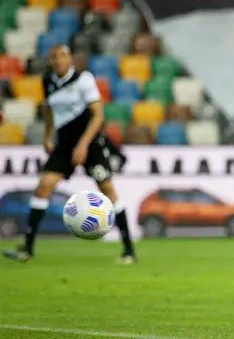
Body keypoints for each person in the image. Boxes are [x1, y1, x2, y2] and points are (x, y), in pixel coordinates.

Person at [4, 45, 136, 264]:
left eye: (62, 56)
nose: (58, 60)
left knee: (108, 190)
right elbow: (48, 109)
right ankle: (27, 249)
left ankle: (129, 250)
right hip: (65, 144)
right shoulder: (47, 80)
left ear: (70, 60)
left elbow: (98, 115)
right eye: (54, 57)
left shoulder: (84, 80)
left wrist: (83, 145)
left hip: (90, 142)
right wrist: (47, 136)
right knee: (44, 186)